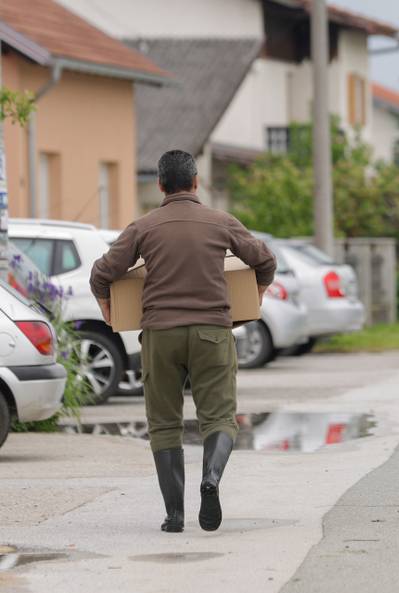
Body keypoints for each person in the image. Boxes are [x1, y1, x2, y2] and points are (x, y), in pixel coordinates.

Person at [90, 150, 276, 533]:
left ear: (160, 185)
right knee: (220, 417)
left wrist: (107, 307)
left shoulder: (143, 226)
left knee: (163, 424)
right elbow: (265, 260)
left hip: (160, 335)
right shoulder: (221, 221)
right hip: (212, 332)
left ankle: (174, 515)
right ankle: (211, 477)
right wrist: (256, 295)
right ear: (196, 182)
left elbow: (102, 273)